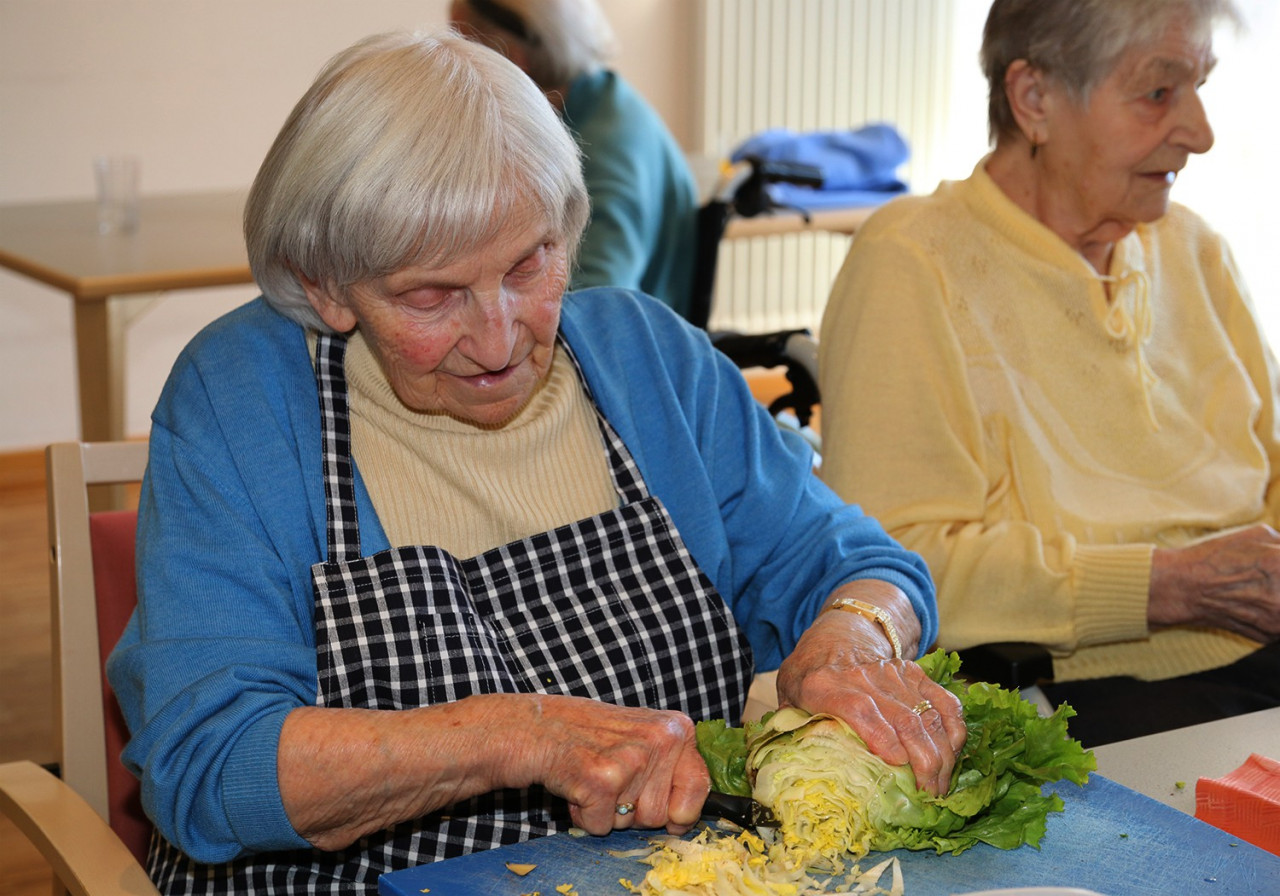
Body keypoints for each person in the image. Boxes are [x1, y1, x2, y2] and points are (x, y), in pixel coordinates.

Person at [106, 30, 964, 895]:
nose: (500, 336)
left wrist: (853, 639)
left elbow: (860, 563)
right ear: (326, 283)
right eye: (431, 295)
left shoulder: (648, 360)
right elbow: (212, 763)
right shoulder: (243, 397)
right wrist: (522, 735)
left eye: (530, 263)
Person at [818, 0, 1280, 748]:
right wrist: (1170, 585)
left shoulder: (1195, 249)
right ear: (1034, 99)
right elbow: (900, 563)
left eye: (1201, 87)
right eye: (1159, 93)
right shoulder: (913, 262)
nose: (1200, 132)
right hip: (1087, 697)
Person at [449, 0, 701, 320]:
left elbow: (600, 301)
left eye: (461, 53)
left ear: (513, 59)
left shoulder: (606, 146)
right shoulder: (594, 109)